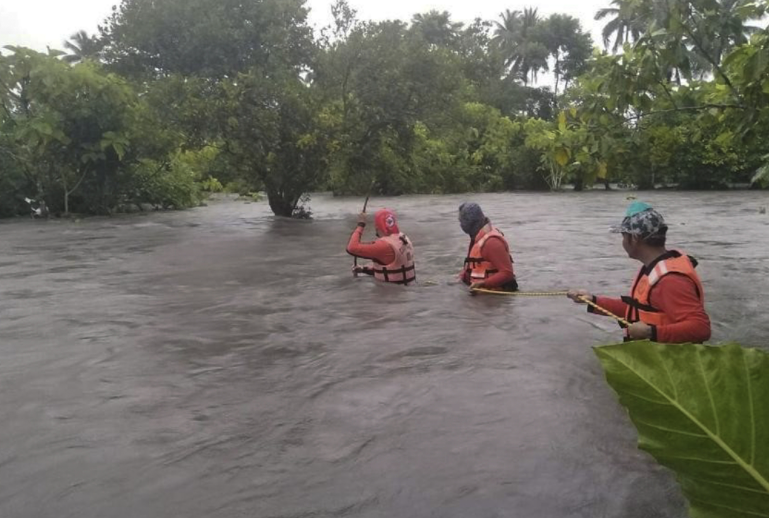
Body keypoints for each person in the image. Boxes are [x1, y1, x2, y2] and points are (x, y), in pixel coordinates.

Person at [567, 202, 711, 343]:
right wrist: (593, 300)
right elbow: (638, 310)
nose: (623, 242)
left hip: (668, 361)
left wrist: (650, 332)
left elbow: (701, 328)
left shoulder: (670, 280)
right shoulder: (654, 268)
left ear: (634, 238)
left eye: (624, 236)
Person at [458, 202, 518, 292]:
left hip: (496, 298)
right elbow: (473, 267)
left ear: (470, 223)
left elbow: (507, 273)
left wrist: (484, 283)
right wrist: (461, 278)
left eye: (461, 222)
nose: (460, 225)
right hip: (482, 297)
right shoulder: (476, 238)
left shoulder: (491, 242)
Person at [346, 208, 416, 285]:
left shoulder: (383, 246)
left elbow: (352, 248)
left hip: (390, 293)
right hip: (407, 287)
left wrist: (360, 225)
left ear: (377, 227)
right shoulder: (403, 237)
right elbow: (392, 266)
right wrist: (364, 269)